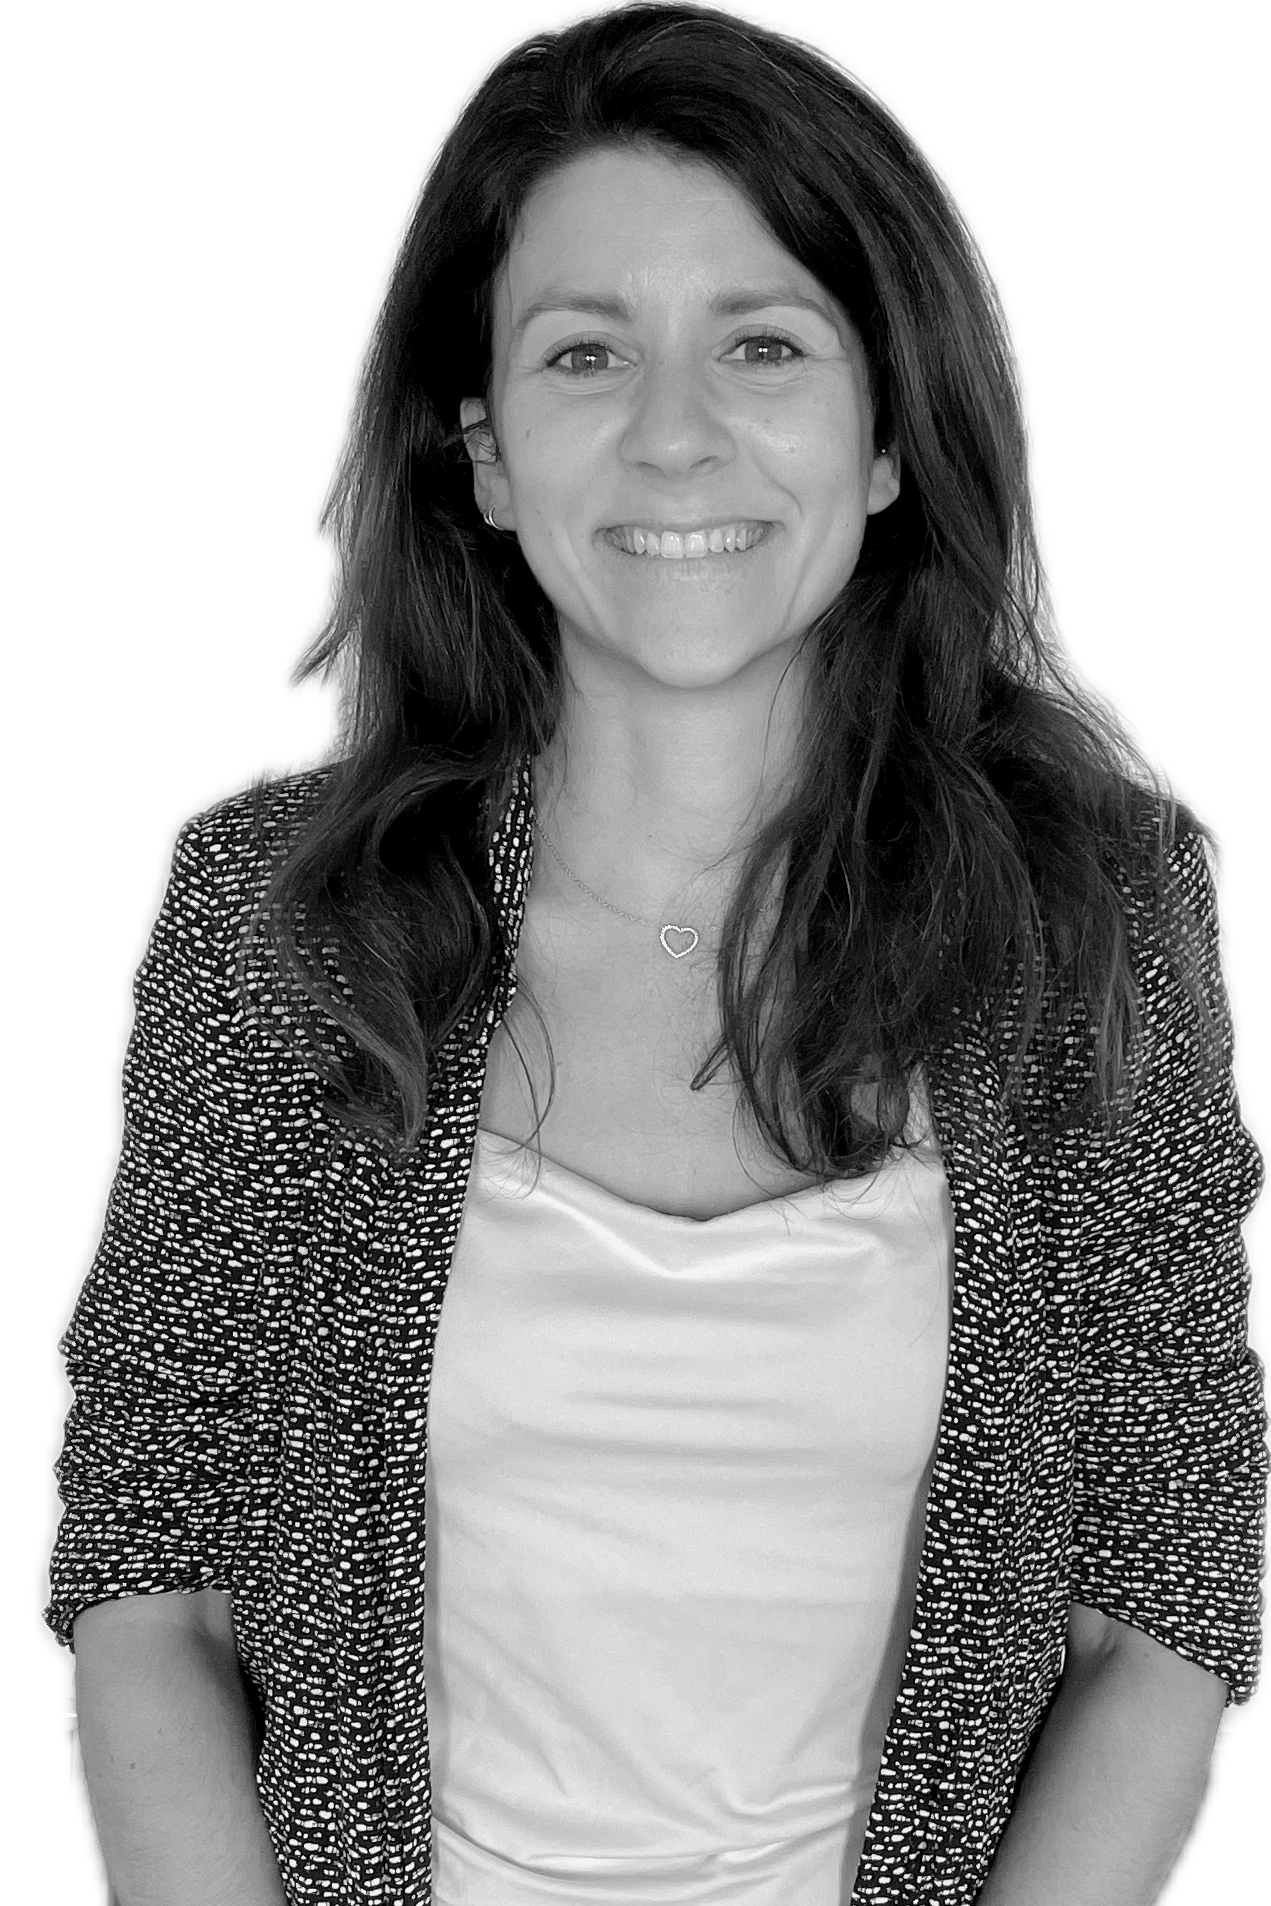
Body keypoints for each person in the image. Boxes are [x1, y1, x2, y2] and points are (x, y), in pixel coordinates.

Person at [31, 3, 1270, 1902]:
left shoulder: (1092, 911)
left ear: (885, 433)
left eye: (762, 344)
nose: (674, 434)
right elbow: (151, 1573)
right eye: (584, 352)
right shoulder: (281, 911)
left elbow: (1157, 1604)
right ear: (484, 451)